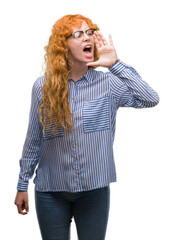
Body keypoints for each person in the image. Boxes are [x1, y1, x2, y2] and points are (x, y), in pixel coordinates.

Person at [14, 14, 159, 240]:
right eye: (78, 34)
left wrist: (116, 65)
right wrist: (22, 184)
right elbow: (34, 138)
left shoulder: (108, 84)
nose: (87, 38)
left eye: (90, 32)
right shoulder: (42, 87)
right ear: (63, 45)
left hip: (94, 191)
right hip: (51, 191)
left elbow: (150, 98)